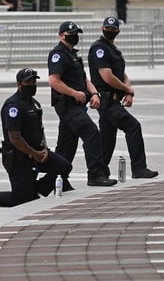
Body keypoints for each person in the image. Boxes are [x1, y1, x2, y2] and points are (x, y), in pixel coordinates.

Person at [0, 68, 73, 207]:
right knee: (20, 200)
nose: (32, 84)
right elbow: (15, 138)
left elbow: (40, 130)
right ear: (19, 84)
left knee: (64, 167)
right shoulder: (13, 106)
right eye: (28, 81)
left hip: (37, 153)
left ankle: (36, 190)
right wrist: (34, 153)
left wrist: (45, 149)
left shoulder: (33, 103)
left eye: (34, 81)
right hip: (19, 158)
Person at [48, 21, 117, 187]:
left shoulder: (73, 55)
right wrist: (75, 93)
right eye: (70, 34)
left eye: (76, 33)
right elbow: (54, 81)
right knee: (91, 132)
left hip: (77, 105)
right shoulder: (58, 54)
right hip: (67, 105)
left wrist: (94, 93)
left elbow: (84, 79)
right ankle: (95, 174)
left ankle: (55, 181)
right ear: (61, 35)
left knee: (66, 145)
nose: (74, 36)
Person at [88, 17, 158, 179]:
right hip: (107, 101)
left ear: (118, 32)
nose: (110, 31)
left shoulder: (113, 50)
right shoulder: (99, 49)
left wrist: (128, 91)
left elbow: (121, 74)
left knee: (107, 137)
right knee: (133, 126)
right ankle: (139, 168)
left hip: (114, 99)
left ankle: (99, 172)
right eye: (108, 28)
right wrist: (128, 89)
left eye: (113, 29)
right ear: (102, 29)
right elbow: (107, 77)